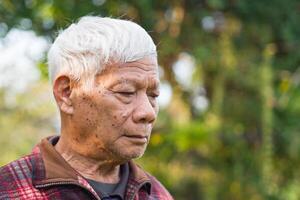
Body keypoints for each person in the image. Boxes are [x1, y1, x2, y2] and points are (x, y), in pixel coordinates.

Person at [0, 16, 173, 200]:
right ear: (66, 92)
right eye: (126, 92)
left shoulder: (157, 194)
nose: (148, 112)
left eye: (153, 95)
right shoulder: (10, 191)